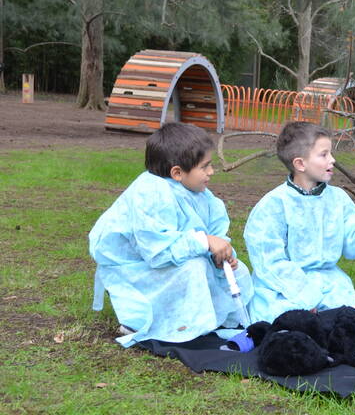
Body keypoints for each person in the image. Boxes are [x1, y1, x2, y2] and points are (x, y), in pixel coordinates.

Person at [89, 122, 253, 348]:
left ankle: (212, 319)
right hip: (136, 267)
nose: (211, 172)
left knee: (239, 272)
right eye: (205, 167)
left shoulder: (199, 193)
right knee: (194, 269)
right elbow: (157, 251)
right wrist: (204, 242)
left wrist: (221, 253)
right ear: (177, 172)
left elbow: (214, 229)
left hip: (179, 256)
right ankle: (146, 319)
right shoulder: (151, 193)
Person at [243, 121, 355, 324]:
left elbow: (351, 238)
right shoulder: (273, 205)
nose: (332, 160)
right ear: (300, 164)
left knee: (347, 319)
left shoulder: (337, 199)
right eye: (324, 155)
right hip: (284, 286)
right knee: (288, 322)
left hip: (330, 282)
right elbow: (268, 260)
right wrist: (304, 295)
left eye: (330, 153)